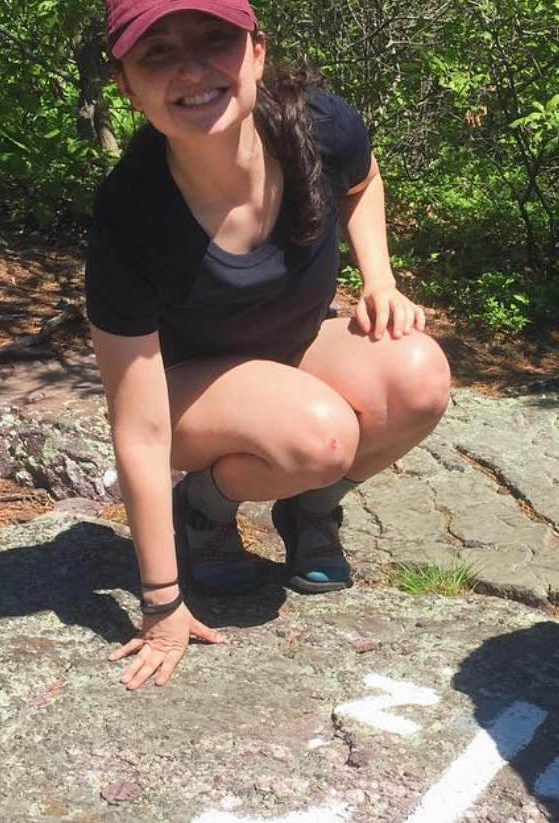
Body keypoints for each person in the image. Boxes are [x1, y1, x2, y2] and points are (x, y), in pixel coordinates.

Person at [85, 0, 451, 691]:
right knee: (320, 439)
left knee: (417, 374)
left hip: (293, 350)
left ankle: (309, 508)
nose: (191, 68)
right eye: (156, 53)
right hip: (186, 396)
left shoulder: (317, 128)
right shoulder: (130, 216)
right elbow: (136, 427)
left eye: (213, 39)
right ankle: (206, 507)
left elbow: (363, 178)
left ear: (256, 52)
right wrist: (162, 601)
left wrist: (381, 278)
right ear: (126, 87)